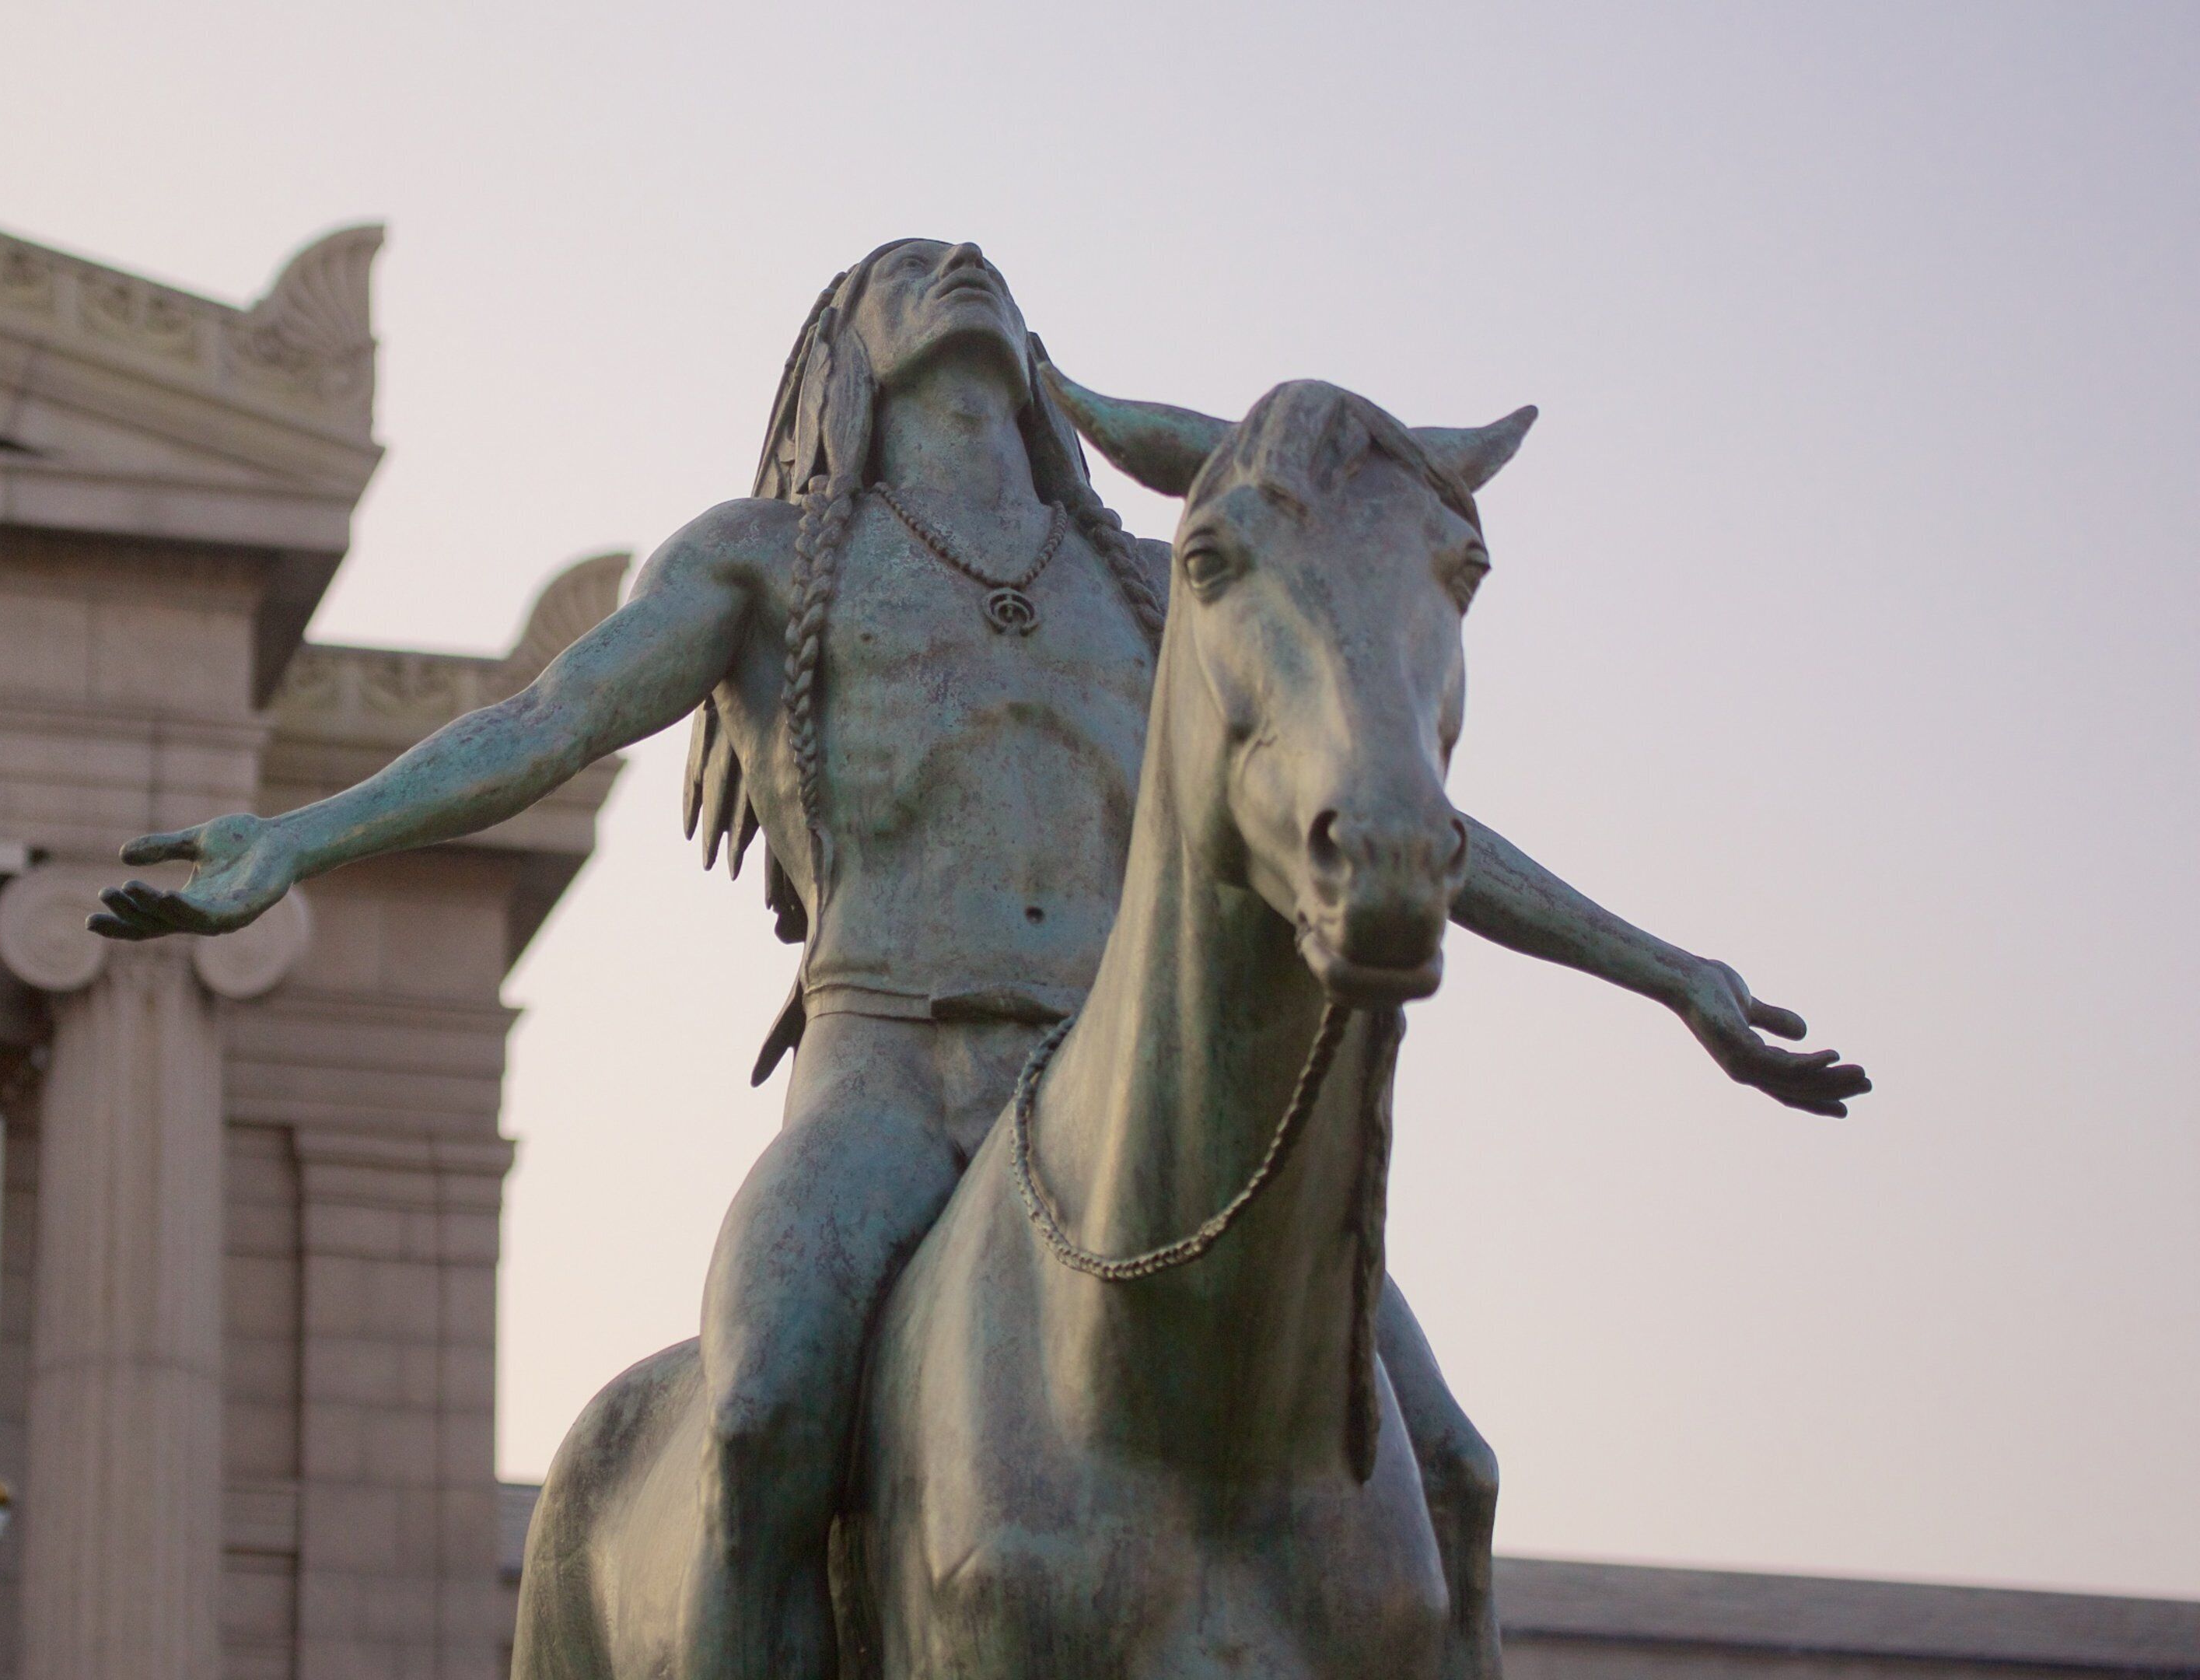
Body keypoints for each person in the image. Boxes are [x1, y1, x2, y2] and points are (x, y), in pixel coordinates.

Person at [89, 238, 1868, 1680]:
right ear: (834, 361)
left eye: (986, 271)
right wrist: (296, 840)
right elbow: (554, 722)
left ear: (1044, 365)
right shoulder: (767, 560)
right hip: (884, 1076)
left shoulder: (1164, 588)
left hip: (1119, 1095)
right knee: (764, 1404)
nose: (952, 267)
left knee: (1454, 1472)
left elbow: (1380, 805)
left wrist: (1668, 974)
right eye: (897, 271)